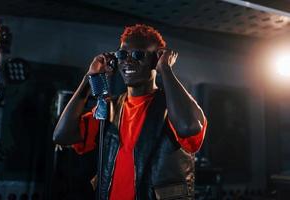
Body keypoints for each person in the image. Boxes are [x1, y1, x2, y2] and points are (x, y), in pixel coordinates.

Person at [53, 24, 207, 200]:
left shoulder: (174, 108)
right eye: (122, 54)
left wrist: (165, 69)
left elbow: (188, 127)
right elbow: (62, 136)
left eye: (138, 55)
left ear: (156, 60)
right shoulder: (109, 109)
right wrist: (90, 79)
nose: (128, 60)